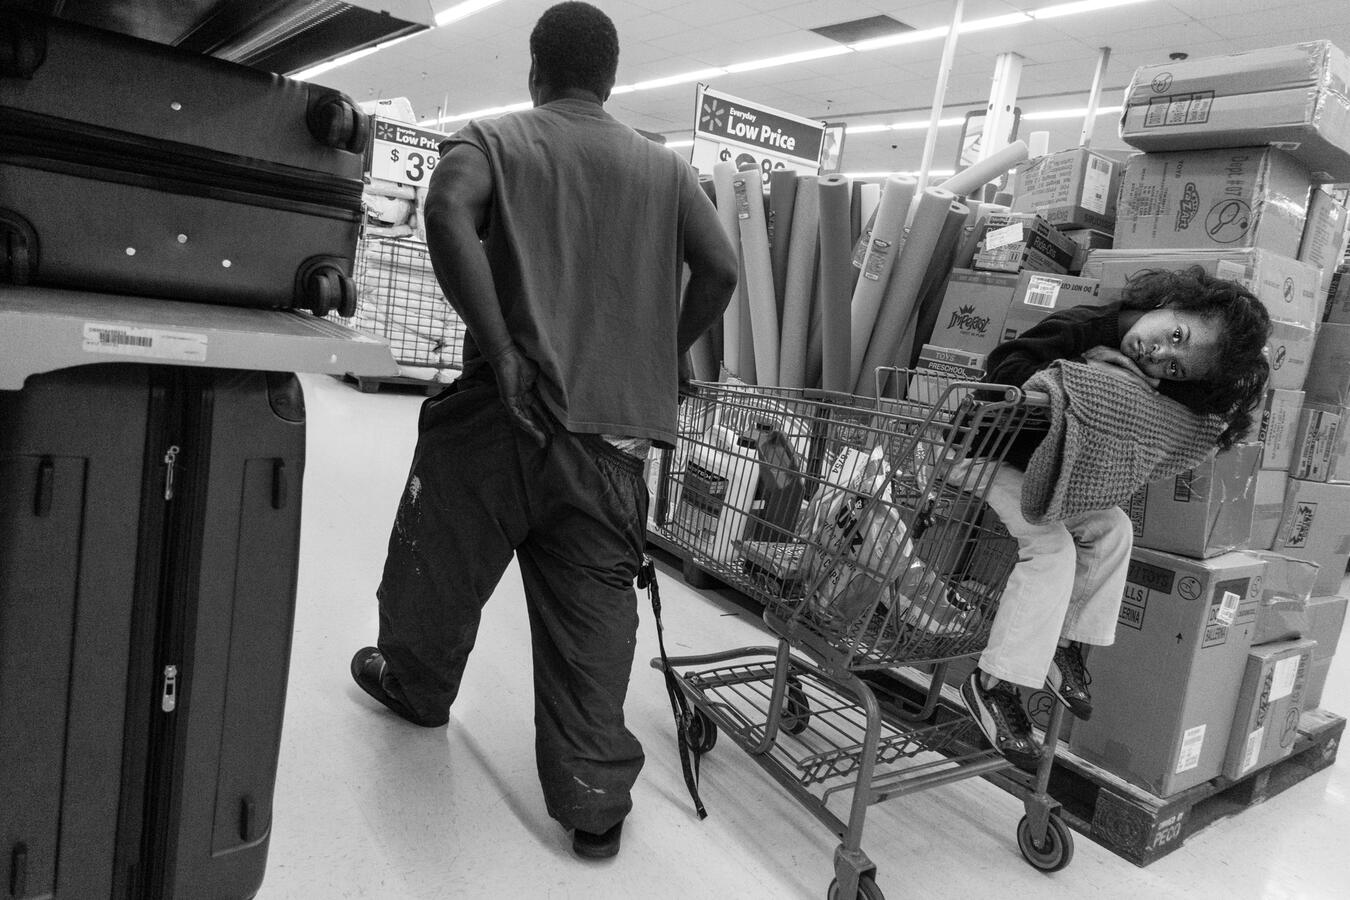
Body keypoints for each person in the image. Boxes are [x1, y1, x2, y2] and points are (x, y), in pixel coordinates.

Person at [347, 1, 738, 861]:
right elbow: (722, 267)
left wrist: (504, 349)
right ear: (610, 78)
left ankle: (415, 687)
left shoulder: (494, 140)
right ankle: (594, 798)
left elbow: (448, 209)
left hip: (500, 418)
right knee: (594, 616)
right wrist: (663, 352)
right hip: (609, 444)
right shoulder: (666, 171)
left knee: (436, 567)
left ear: (535, 68)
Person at [958, 266, 1272, 771]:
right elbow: (1003, 371)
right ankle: (991, 684)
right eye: (1175, 335)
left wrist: (1138, 381)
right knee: (1052, 548)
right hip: (984, 454)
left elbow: (1196, 414)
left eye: (1174, 367)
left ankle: (1064, 648)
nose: (1159, 354)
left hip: (1047, 473)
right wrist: (1083, 377)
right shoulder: (1086, 325)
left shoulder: (1149, 363)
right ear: (1173, 300)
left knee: (1115, 528)